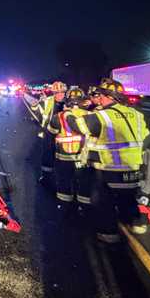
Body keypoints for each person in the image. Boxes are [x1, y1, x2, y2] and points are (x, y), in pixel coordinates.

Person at [66, 78, 150, 243]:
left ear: (111, 97)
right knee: (128, 198)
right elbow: (147, 140)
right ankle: (137, 224)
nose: (101, 98)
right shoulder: (137, 115)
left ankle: (108, 235)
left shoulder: (102, 116)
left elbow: (77, 126)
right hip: (133, 168)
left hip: (109, 170)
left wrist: (68, 113)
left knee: (103, 202)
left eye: (103, 95)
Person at [47, 87, 91, 216]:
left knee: (64, 182)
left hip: (64, 158)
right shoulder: (91, 115)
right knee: (84, 183)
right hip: (84, 158)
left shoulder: (58, 117)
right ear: (83, 101)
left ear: (67, 101)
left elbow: (50, 135)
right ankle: (84, 209)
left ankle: (65, 208)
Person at [32, 81, 67, 186]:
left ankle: (63, 177)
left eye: (61, 92)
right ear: (53, 93)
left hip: (64, 135)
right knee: (47, 156)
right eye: (57, 93)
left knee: (64, 158)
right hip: (49, 134)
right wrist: (35, 105)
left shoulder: (69, 102)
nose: (59, 95)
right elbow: (37, 110)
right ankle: (46, 177)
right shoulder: (47, 101)